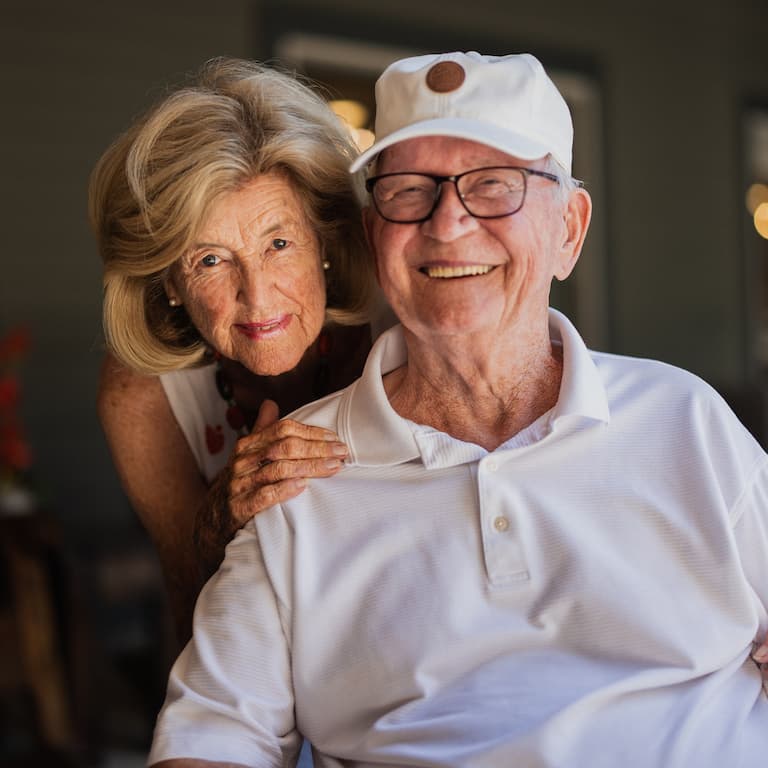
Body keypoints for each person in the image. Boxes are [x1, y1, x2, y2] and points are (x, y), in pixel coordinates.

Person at [147, 52, 768, 767]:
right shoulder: (296, 471)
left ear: (569, 227)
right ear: (375, 230)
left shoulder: (684, 418)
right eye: (409, 190)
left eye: (494, 186)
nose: (447, 224)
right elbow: (213, 736)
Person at [89, 57, 392, 644]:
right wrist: (218, 518)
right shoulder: (138, 394)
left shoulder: (396, 328)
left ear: (324, 242)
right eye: (209, 260)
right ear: (169, 284)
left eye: (279, 243)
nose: (256, 296)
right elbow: (189, 596)